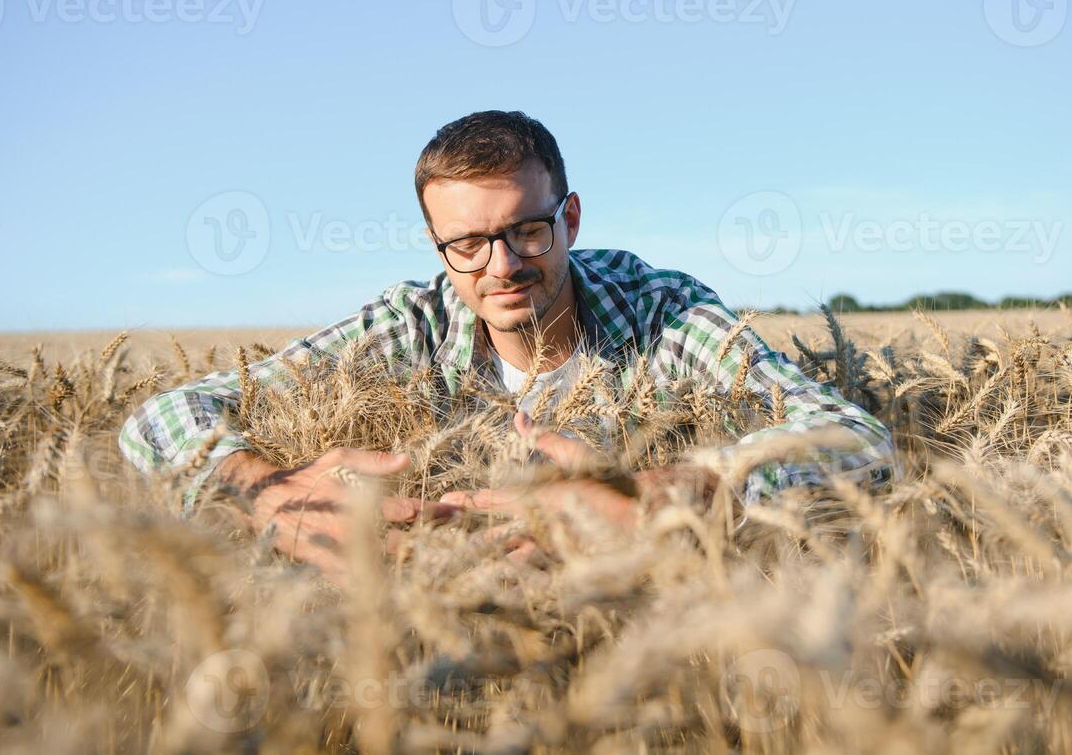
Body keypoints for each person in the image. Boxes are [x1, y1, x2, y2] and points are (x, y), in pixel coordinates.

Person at [119, 111, 894, 572]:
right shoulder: (409, 324)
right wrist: (257, 487)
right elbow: (161, 417)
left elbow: (855, 437)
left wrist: (677, 495)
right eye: (468, 243)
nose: (502, 265)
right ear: (436, 245)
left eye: (527, 230)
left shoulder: (660, 311)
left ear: (571, 219)